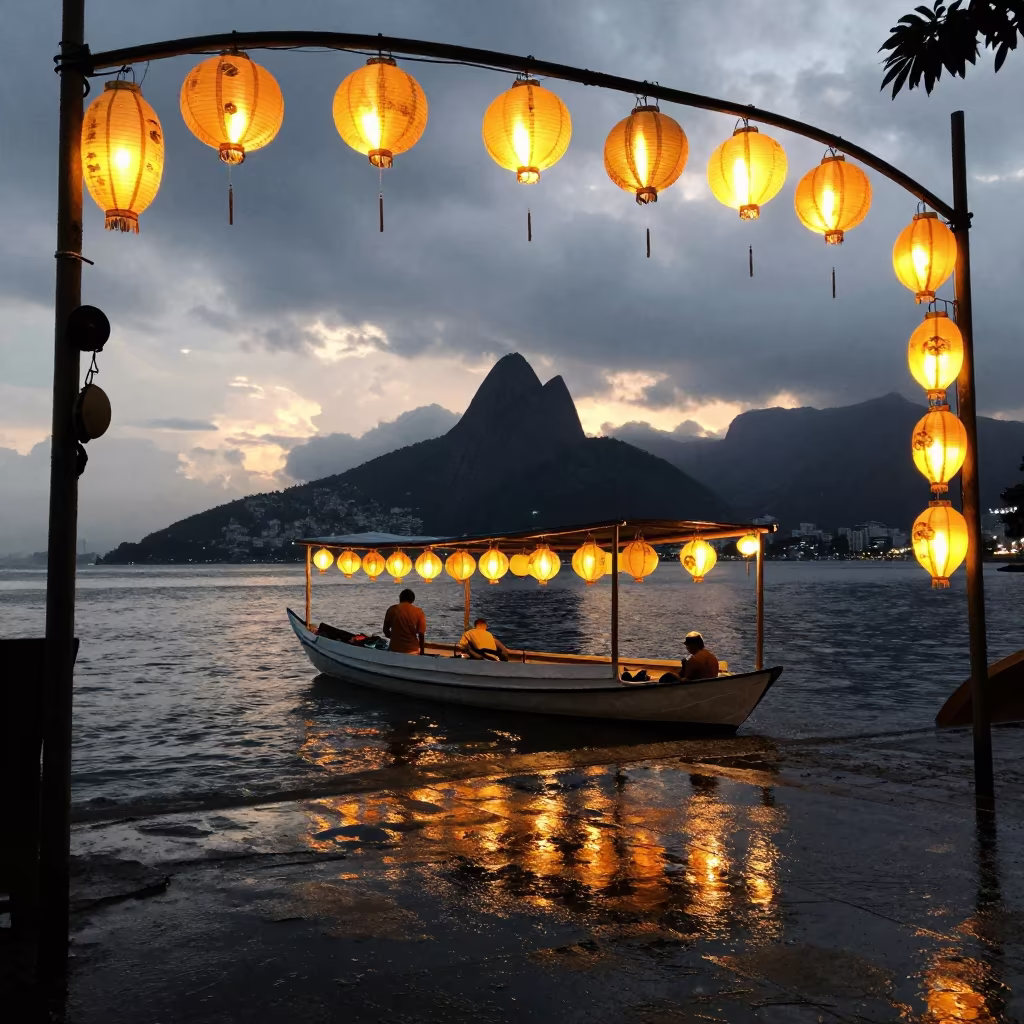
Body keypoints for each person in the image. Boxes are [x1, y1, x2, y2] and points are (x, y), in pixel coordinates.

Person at [382, 589, 426, 655]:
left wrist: (394, 637)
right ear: (412, 600)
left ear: (400, 598)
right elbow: (421, 634)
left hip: (395, 648)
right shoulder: (419, 611)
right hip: (412, 649)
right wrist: (422, 652)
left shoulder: (392, 609)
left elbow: (385, 630)